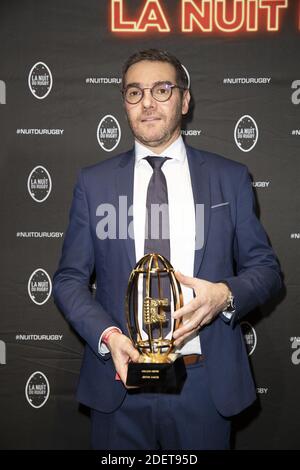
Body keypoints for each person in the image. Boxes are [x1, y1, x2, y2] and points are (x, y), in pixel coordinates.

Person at [53, 49, 282, 450]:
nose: (148, 103)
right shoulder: (94, 183)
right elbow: (70, 279)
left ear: (185, 99)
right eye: (135, 92)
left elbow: (265, 270)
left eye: (162, 89)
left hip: (204, 386)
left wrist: (224, 296)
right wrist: (107, 336)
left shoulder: (229, 178)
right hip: (119, 387)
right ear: (124, 102)